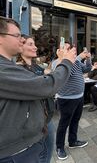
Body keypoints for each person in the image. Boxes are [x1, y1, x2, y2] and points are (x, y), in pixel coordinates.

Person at [0, 17, 76, 162]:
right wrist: (66, 62)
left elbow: (45, 78)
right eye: (17, 36)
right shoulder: (6, 69)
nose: (21, 40)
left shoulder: (11, 66)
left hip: (35, 133)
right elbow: (46, 86)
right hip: (18, 152)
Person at [16, 35, 55, 163]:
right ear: (20, 47)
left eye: (34, 44)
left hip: (47, 117)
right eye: (31, 44)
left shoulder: (35, 66)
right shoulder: (18, 70)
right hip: (34, 122)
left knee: (48, 151)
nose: (35, 47)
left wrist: (56, 62)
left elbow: (47, 74)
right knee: (38, 155)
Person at [52, 43, 91, 160]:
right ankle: (59, 147)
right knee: (63, 124)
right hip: (66, 99)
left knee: (75, 121)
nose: (72, 51)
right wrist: (73, 57)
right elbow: (64, 74)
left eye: (72, 49)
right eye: (68, 49)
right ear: (60, 51)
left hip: (79, 97)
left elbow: (87, 69)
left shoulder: (77, 62)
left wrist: (88, 59)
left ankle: (72, 141)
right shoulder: (57, 63)